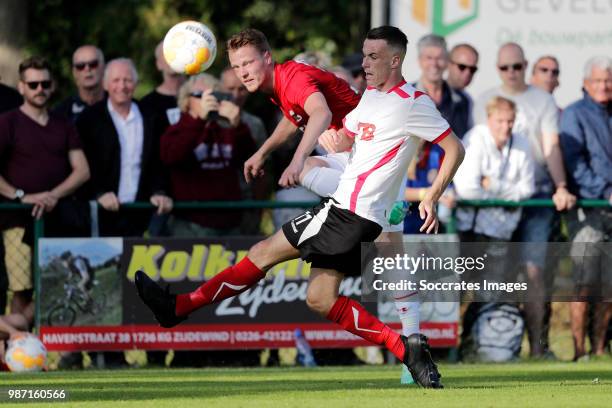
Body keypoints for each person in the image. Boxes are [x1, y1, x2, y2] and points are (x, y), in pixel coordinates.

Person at [136, 25, 466, 389]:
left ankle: (177, 308)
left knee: (263, 252)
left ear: (395, 59)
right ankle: (408, 350)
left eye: (373, 56)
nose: (365, 62)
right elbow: (336, 133)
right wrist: (275, 149)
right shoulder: (370, 97)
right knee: (320, 299)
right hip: (356, 212)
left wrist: (432, 194)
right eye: (364, 55)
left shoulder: (412, 102)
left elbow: (453, 147)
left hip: (350, 210)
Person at [473, 43, 576, 357]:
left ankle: (538, 348)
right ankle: (490, 347)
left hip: (535, 197)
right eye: (505, 67)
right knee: (494, 275)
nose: (511, 72)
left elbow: (551, 148)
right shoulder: (484, 100)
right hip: (495, 205)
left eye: (517, 66)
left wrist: (560, 185)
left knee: (533, 273)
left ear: (525, 66)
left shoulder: (542, 100)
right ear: (497, 68)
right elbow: (479, 151)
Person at [0, 56, 90, 318]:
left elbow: (82, 170)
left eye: (45, 83)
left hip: (58, 219)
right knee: (22, 289)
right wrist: (21, 196)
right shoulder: (7, 123)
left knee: (57, 285)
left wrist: (52, 196)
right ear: (21, 87)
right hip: (17, 222)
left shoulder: (63, 124)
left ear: (52, 87)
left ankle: (27, 343)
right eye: (33, 84)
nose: (39, 89)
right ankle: (18, 352)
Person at [76, 58, 173, 237]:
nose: (122, 86)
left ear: (135, 84)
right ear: (105, 85)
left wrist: (159, 191)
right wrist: (99, 193)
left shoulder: (151, 117)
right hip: (101, 213)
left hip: (142, 213)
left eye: (127, 80)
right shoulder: (89, 119)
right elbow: (83, 165)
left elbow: (159, 163)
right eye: (116, 80)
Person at [559, 56, 612, 361]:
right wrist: (605, 191)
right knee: (583, 283)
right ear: (586, 83)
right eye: (598, 80)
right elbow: (575, 164)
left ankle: (600, 348)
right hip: (586, 212)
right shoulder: (574, 114)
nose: (604, 85)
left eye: (608, 79)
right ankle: (579, 351)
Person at [160, 73, 256, 237]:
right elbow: (172, 157)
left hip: (230, 223)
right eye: (199, 95)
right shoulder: (176, 129)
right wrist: (199, 122)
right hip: (191, 224)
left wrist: (237, 124)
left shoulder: (227, 129)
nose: (207, 101)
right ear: (186, 101)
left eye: (212, 95)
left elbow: (251, 159)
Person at [412, 34, 471, 139]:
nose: (434, 64)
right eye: (429, 58)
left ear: (447, 61)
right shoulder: (406, 97)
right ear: (420, 61)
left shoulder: (463, 101)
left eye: (439, 58)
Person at [140, 42, 185, 131]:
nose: (172, 58)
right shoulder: (146, 104)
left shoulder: (198, 95)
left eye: (176, 53)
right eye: (166, 55)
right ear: (158, 64)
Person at [54, 45, 105, 122]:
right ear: (74, 72)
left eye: (93, 64)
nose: (87, 69)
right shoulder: (60, 114)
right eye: (80, 66)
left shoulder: (120, 106)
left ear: (103, 67)